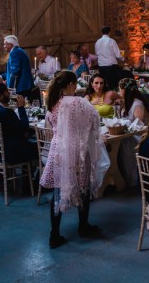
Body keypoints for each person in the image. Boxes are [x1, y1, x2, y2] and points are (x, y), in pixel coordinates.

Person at [39, 71, 105, 249]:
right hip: (77, 150)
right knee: (83, 187)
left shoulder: (53, 103)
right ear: (69, 85)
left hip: (58, 149)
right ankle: (83, 226)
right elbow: (95, 121)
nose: (76, 87)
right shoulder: (78, 102)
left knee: (58, 192)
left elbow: (52, 126)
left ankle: (54, 234)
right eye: (75, 84)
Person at [117, 78, 149, 187]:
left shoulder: (137, 104)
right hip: (127, 134)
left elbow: (139, 126)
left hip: (137, 137)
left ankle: (129, 179)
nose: (119, 92)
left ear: (125, 91)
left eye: (120, 89)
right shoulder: (127, 102)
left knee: (122, 144)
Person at [4, 35, 34, 99]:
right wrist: (2, 76)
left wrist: (10, 88)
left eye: (5, 44)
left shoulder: (14, 52)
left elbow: (15, 72)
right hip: (24, 85)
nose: (4, 46)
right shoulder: (18, 50)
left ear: (10, 44)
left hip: (21, 86)